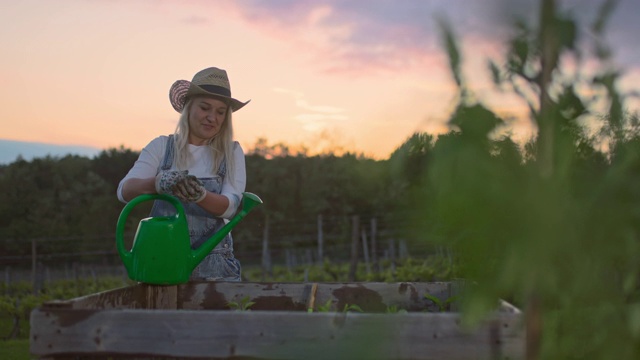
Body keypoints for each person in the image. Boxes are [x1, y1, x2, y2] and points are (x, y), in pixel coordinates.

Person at [117, 67, 250, 281]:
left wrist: (201, 196)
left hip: (215, 269)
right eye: (205, 108)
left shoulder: (231, 152)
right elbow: (124, 191)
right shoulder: (161, 147)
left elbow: (230, 207)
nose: (211, 117)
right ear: (188, 107)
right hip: (162, 262)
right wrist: (157, 183)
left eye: (220, 112)